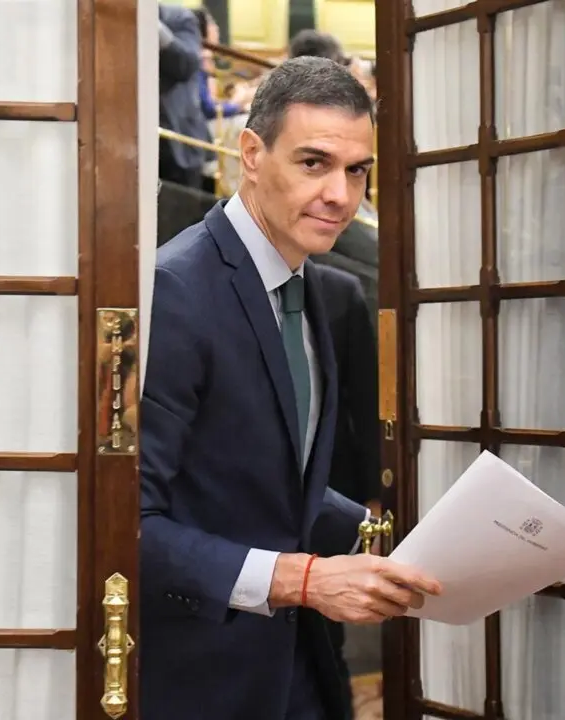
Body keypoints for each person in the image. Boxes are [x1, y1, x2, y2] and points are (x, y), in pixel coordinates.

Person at [140, 57, 441, 720]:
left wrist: (375, 533)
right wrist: (301, 578)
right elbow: (128, 524)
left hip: (297, 661)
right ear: (251, 154)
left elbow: (264, 477)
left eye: (357, 171)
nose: (341, 195)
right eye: (314, 163)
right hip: (201, 673)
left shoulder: (314, 287)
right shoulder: (176, 290)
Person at [158, 4, 211, 187]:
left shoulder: (179, 18)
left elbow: (185, 65)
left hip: (179, 142)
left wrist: (152, 25)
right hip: (138, 141)